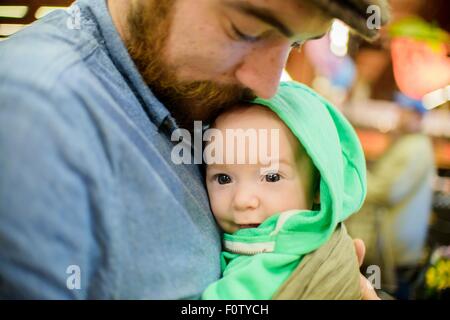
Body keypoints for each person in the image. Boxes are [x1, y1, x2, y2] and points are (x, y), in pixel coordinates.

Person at [0, 0, 389, 299]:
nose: (269, 84)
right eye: (246, 29)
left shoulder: (198, 92)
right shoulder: (35, 119)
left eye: (296, 42)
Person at [202, 81, 366, 299]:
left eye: (271, 177)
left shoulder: (272, 265)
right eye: (223, 178)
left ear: (319, 185)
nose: (242, 200)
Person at [346, 93, 436, 296]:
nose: (399, 115)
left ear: (417, 117)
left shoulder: (414, 148)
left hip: (393, 249)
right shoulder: (411, 143)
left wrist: (354, 175)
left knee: (383, 292)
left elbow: (387, 191)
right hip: (394, 246)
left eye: (405, 111)